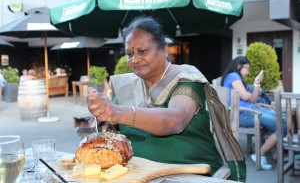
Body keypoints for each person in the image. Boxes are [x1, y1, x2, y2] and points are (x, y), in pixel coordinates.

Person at [87, 16, 245, 179]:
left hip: (190, 173)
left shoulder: (185, 78)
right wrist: (106, 123)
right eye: (129, 54)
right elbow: (115, 127)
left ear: (164, 49)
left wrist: (118, 113)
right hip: (138, 174)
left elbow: (175, 121)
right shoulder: (127, 87)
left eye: (142, 51)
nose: (135, 59)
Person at [221, 56, 287, 170]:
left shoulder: (238, 78)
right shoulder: (233, 76)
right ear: (238, 66)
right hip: (243, 114)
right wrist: (250, 94)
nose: (247, 72)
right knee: (283, 124)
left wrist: (256, 84)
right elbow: (247, 97)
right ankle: (260, 153)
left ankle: (276, 154)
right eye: (246, 68)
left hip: (251, 109)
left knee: (284, 118)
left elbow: (253, 99)